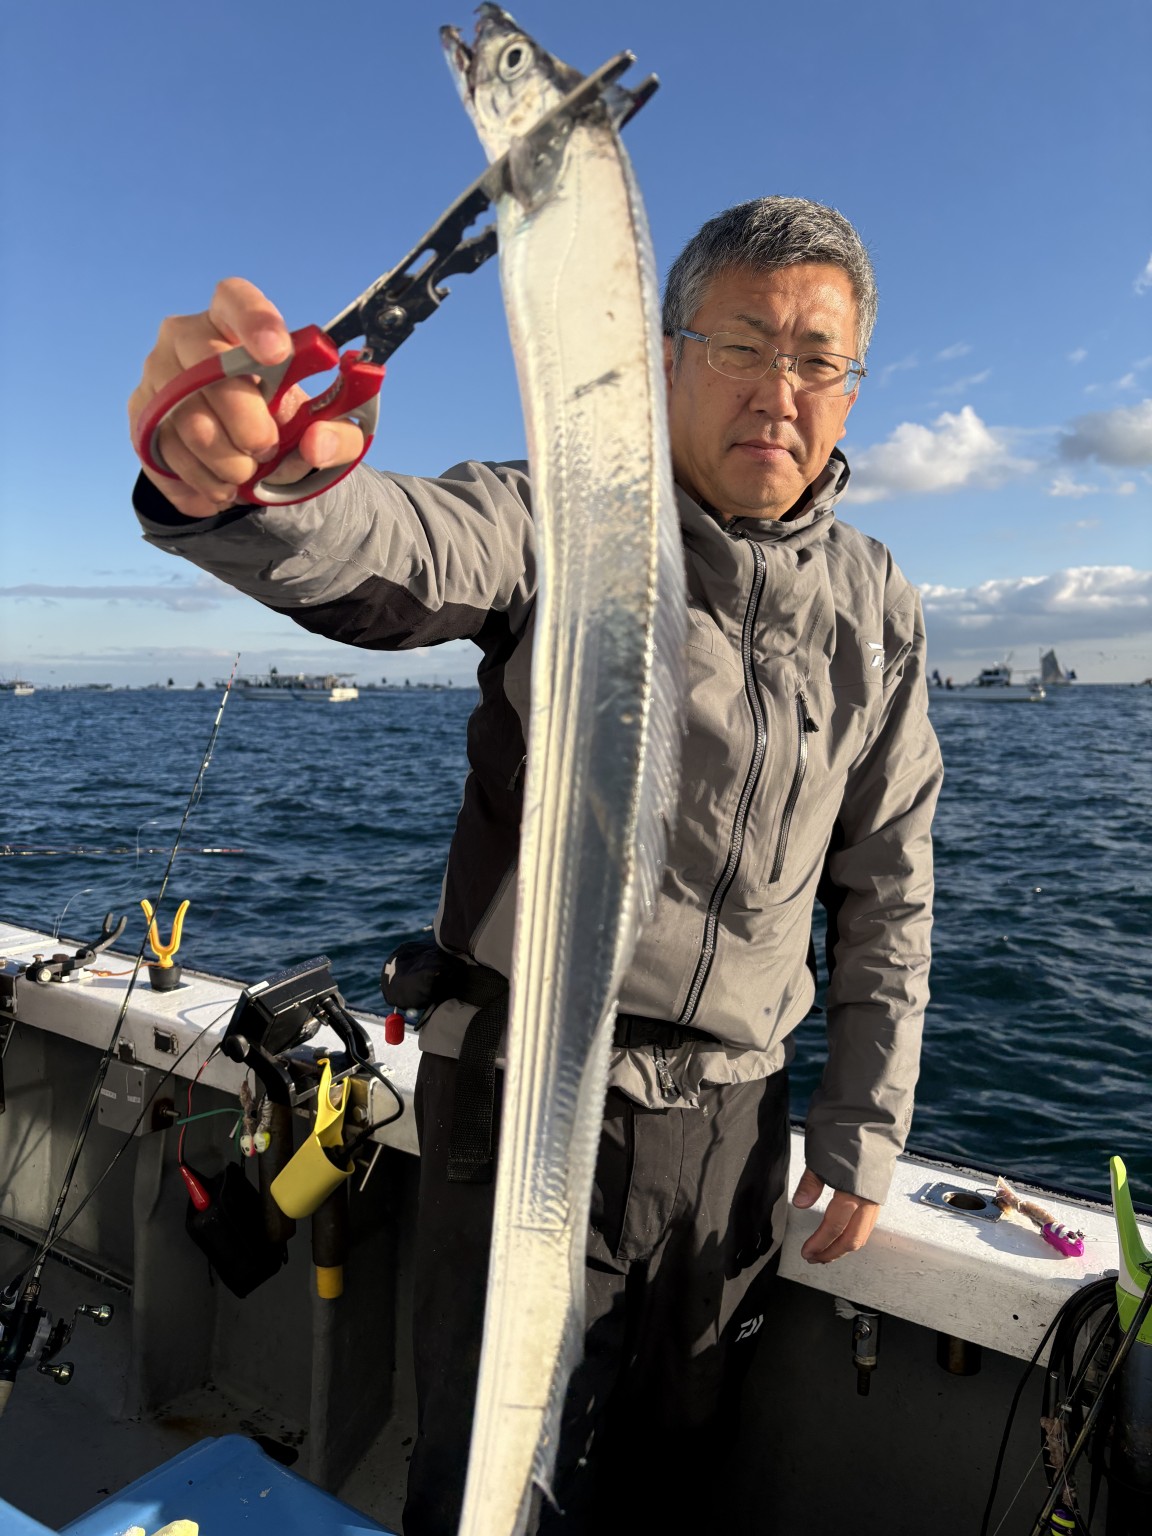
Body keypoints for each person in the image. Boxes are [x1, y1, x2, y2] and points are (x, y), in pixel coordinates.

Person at [129, 196, 942, 1536]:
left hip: (736, 1132)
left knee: (678, 1480)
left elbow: (888, 880)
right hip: (524, 1110)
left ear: (852, 388)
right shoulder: (565, 521)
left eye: (817, 358)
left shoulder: (881, 604)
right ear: (668, 360)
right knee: (492, 1493)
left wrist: (862, 1124)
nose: (779, 390)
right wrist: (253, 486)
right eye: (742, 344)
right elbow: (401, 546)